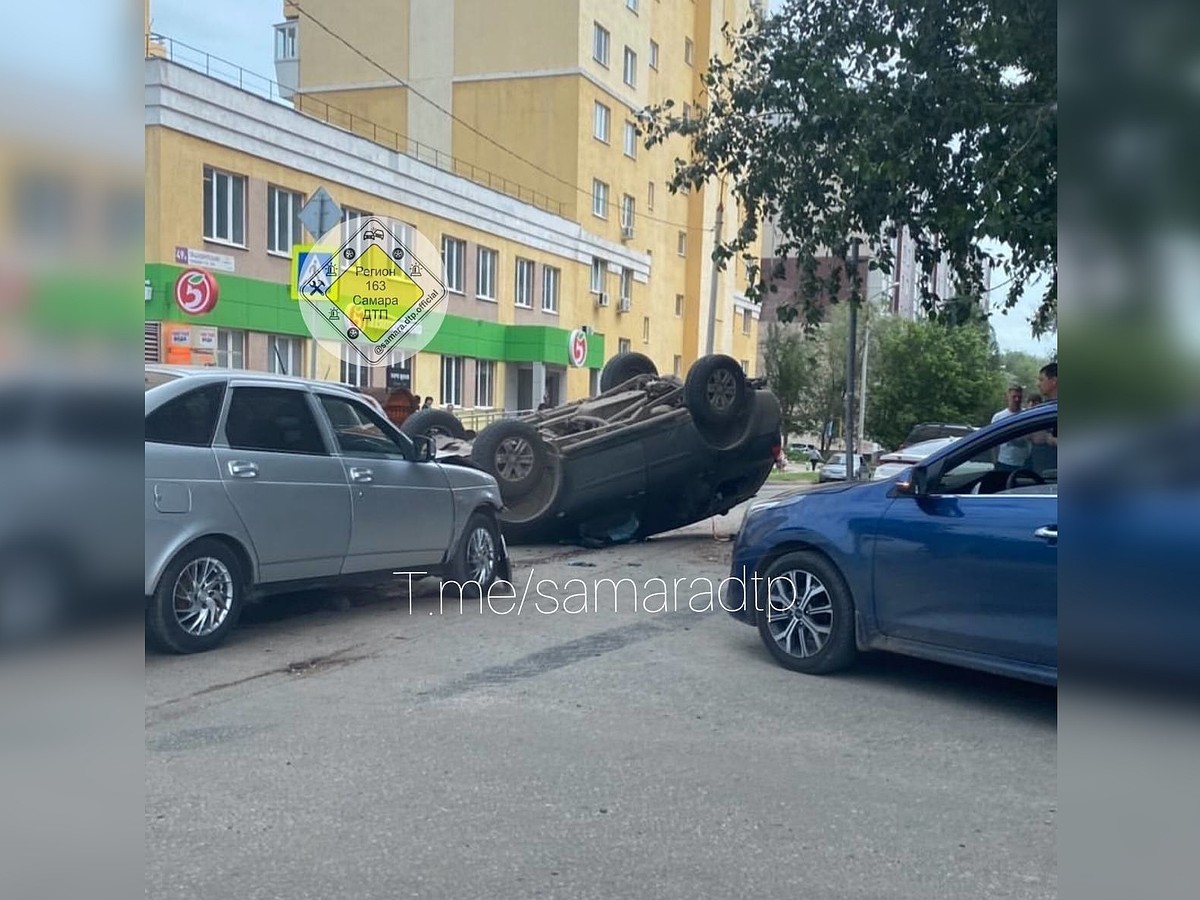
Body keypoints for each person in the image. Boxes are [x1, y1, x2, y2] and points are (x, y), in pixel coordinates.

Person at [991, 382, 1031, 470]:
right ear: (1007, 397)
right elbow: (993, 442)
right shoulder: (998, 417)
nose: (1017, 400)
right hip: (1004, 462)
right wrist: (995, 462)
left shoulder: (1027, 415)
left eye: (1019, 397)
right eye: (1014, 397)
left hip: (1024, 463)